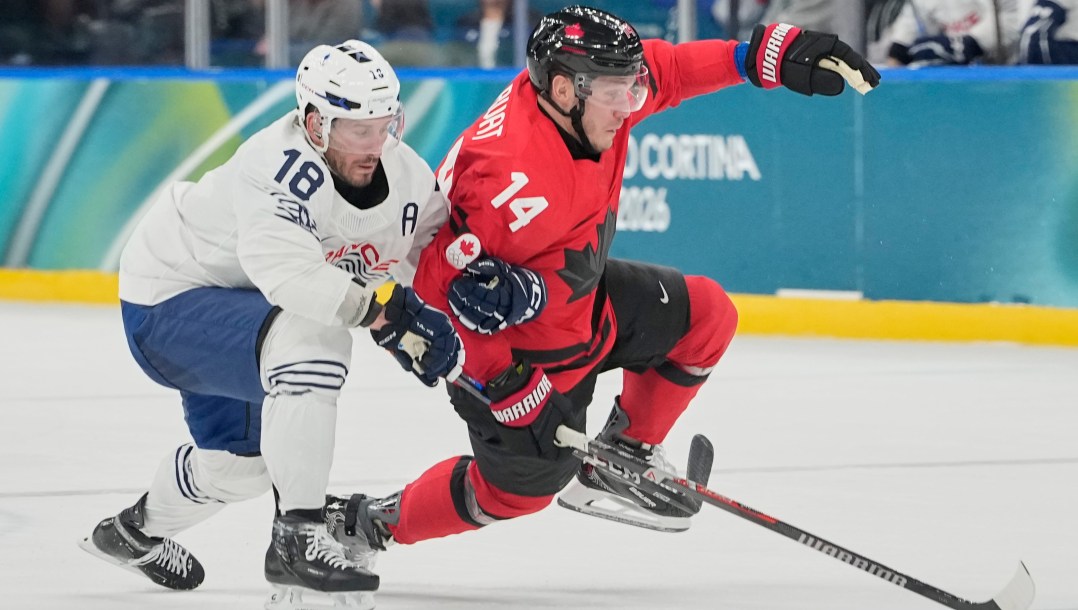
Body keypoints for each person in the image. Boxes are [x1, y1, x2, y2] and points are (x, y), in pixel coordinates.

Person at [321, 3, 880, 597]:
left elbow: (670, 70)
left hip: (586, 309)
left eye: (630, 88)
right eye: (618, 93)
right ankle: (370, 521)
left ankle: (623, 453)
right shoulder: (509, 181)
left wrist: (756, 57)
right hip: (524, 359)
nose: (630, 104)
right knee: (519, 493)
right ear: (566, 89)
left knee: (709, 316)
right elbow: (437, 296)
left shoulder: (585, 100)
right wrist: (507, 386)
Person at [78, 40, 464, 609]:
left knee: (241, 470)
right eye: (358, 130)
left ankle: (132, 532)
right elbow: (288, 275)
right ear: (314, 123)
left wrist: (460, 301)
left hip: (245, 313)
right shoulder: (274, 165)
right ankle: (297, 537)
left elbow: (428, 253)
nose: (375, 144)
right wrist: (387, 315)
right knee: (313, 339)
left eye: (385, 125)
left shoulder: (405, 173)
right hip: (168, 297)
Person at [883, 0, 1022, 66]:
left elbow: (1013, 17)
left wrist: (969, 43)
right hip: (951, 80)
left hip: (1006, 71)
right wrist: (898, 52)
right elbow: (907, 32)